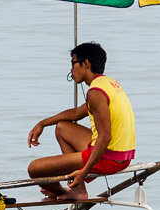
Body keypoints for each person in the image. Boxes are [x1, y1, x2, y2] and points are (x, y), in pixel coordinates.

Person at [27, 42, 136, 201]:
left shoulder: (96, 92)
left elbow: (105, 137)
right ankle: (78, 189)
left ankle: (70, 190)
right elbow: (77, 113)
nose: (71, 69)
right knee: (62, 127)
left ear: (85, 64)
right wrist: (42, 123)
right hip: (122, 155)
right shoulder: (108, 83)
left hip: (110, 158)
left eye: (73, 63)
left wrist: (83, 172)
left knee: (35, 169)